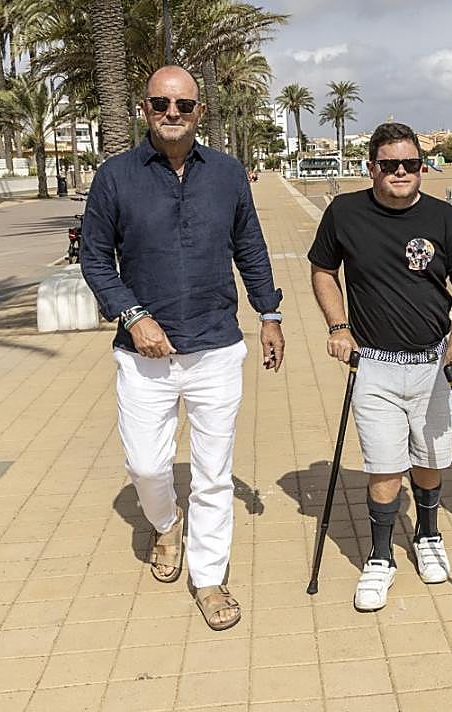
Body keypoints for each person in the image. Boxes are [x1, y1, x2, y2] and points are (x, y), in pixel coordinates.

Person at [80, 65, 285, 631]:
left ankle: (210, 577)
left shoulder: (225, 173)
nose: (172, 114)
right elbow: (94, 258)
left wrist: (269, 312)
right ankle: (166, 523)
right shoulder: (114, 177)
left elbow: (250, 245)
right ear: (144, 109)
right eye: (160, 103)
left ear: (200, 111)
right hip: (143, 355)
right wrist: (133, 314)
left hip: (217, 346)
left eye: (184, 105)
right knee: (146, 465)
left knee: (214, 473)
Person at [308, 121, 452, 611]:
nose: (401, 172)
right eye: (390, 165)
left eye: (411, 164)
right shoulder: (344, 212)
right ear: (372, 169)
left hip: (432, 364)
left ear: (422, 169)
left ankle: (428, 536)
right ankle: (381, 557)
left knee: (429, 461)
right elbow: (323, 270)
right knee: (383, 466)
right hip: (375, 366)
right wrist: (338, 326)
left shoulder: (445, 219)